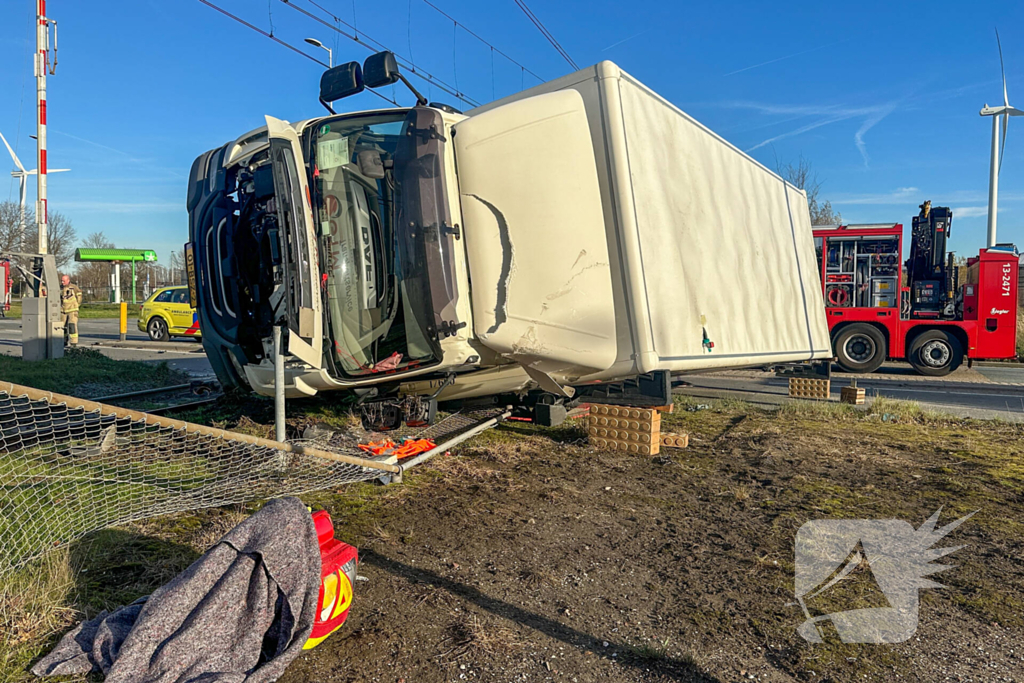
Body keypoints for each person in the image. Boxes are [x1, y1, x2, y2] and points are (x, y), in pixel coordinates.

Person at [60, 274, 83, 347]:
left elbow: (79, 298)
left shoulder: (74, 288)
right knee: (62, 327)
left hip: (72, 310)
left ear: (68, 280)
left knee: (72, 326)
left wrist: (76, 306)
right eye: (61, 281)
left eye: (63, 281)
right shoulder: (60, 288)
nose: (62, 282)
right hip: (63, 311)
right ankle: (64, 340)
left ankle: (73, 342)